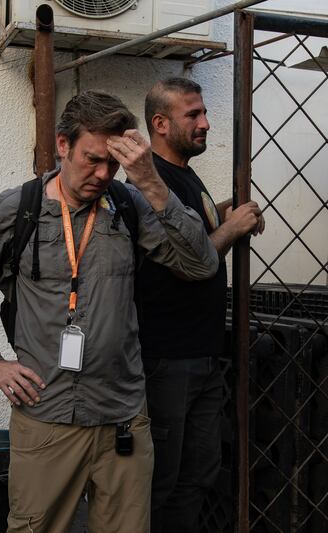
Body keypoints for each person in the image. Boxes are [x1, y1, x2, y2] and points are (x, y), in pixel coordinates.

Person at [0, 90, 219, 533]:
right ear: (63, 145)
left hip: (123, 419)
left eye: (112, 163)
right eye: (91, 159)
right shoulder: (18, 208)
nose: (102, 174)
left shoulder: (127, 204)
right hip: (46, 414)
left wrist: (150, 180)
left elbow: (201, 264)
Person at [138, 77, 263, 533]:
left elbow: (196, 236)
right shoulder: (150, 184)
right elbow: (188, 263)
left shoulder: (185, 178)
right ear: (160, 123)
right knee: (163, 481)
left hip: (203, 356)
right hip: (168, 360)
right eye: (193, 114)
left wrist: (226, 214)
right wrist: (230, 230)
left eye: (204, 112)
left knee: (198, 475)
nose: (206, 123)